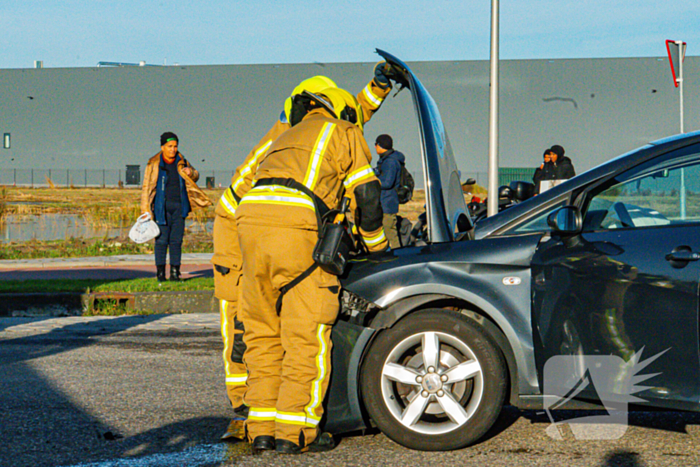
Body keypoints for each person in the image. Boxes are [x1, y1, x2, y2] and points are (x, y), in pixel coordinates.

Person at [214, 64, 396, 441]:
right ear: (338, 110)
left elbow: (233, 199)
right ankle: (296, 432)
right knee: (306, 330)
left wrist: (378, 87)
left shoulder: (282, 139)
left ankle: (260, 427)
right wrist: (379, 249)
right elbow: (367, 194)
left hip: (249, 229)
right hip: (294, 231)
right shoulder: (343, 131)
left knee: (262, 333)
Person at [140, 132, 212, 282]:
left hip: (179, 207)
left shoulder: (182, 160)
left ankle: (175, 273)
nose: (173, 149)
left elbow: (196, 175)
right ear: (162, 147)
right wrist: (145, 210)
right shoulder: (153, 163)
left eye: (175, 146)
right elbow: (146, 187)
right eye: (169, 146)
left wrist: (190, 172)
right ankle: (160, 273)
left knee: (176, 241)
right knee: (161, 241)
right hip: (161, 208)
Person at [373, 134, 405, 249]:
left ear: (381, 145)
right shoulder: (386, 160)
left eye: (376, 144)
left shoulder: (390, 162)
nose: (375, 147)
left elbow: (387, 182)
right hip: (385, 203)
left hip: (388, 203)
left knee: (390, 232)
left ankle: (397, 257)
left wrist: (373, 181)